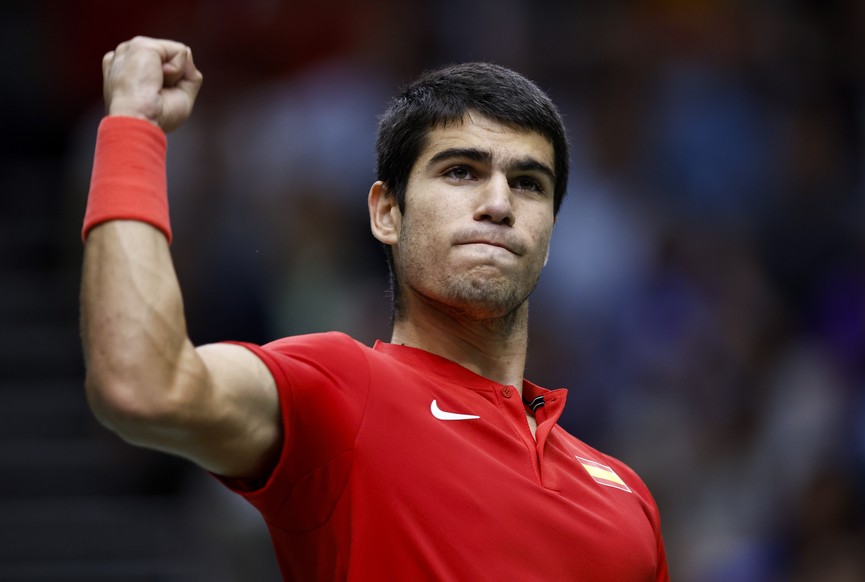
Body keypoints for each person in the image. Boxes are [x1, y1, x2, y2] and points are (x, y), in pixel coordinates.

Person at [80, 36, 670, 581]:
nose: (498, 203)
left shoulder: (626, 496)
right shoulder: (342, 391)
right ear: (387, 213)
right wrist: (132, 126)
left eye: (528, 183)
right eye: (460, 171)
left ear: (549, 234)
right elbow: (141, 383)